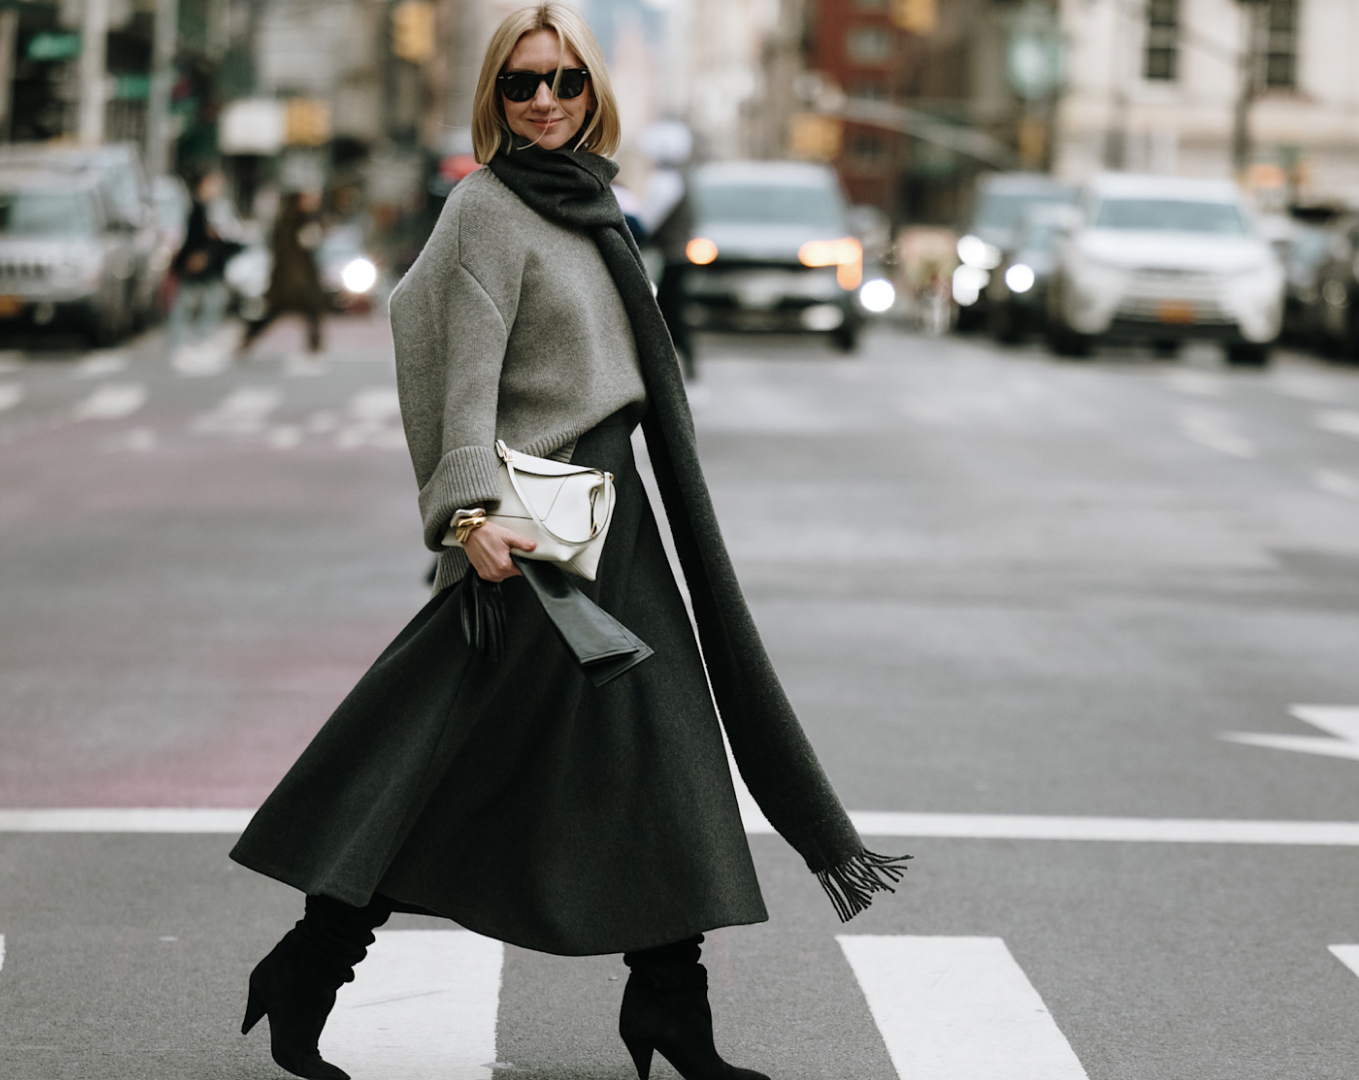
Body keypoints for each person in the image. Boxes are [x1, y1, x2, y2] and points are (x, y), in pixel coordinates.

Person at [226, 7, 906, 1080]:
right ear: (494, 98)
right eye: (522, 85)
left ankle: (671, 1008)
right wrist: (467, 511)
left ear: (596, 95)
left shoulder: (594, 205)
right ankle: (312, 964)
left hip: (613, 514)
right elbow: (454, 367)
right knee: (443, 759)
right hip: (533, 528)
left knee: (660, 747)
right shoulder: (487, 209)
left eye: (567, 82)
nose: (546, 100)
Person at [238, 189, 324, 355]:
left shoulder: (298, 219)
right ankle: (249, 337)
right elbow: (300, 246)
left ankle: (315, 344)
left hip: (295, 278)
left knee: (308, 311)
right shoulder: (292, 221)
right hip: (292, 280)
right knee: (280, 311)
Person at [168, 169, 232, 347]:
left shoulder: (208, 207)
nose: (217, 189)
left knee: (207, 299)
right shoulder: (197, 207)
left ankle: (195, 336)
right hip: (196, 261)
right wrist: (195, 255)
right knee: (189, 301)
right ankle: (182, 338)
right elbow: (192, 236)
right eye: (214, 185)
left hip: (207, 263)